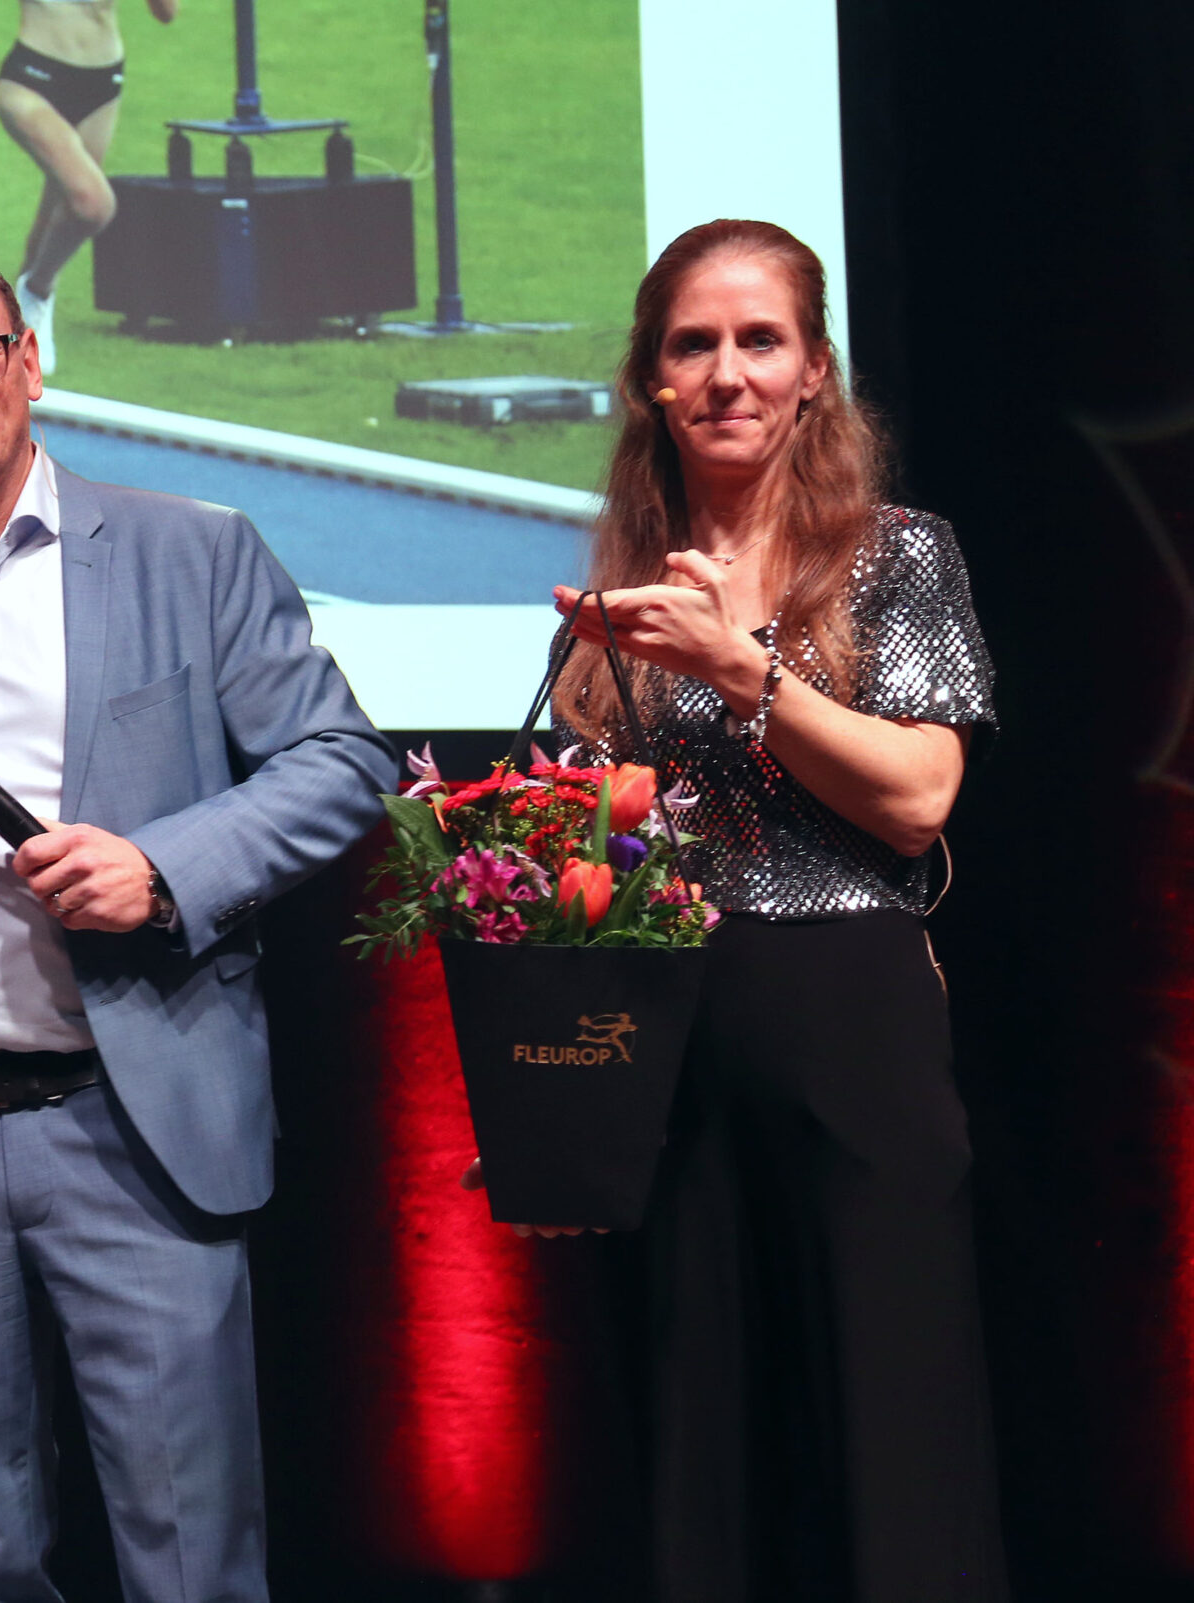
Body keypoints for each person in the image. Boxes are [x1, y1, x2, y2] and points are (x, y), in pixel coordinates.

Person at [0, 243, 395, 1603]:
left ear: (29, 362)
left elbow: (341, 762)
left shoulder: (190, 551)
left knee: (188, 1554)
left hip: (133, 1126)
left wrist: (162, 867)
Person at [534, 217, 1004, 1599]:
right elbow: (595, 854)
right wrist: (556, 1103)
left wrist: (746, 673)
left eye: (760, 340)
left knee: (890, 1417)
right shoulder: (622, 585)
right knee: (699, 1433)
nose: (727, 372)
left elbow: (917, 798)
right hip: (666, 1037)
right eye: (694, 344)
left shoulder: (894, 554)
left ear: (814, 373)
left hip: (846, 1014)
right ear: (652, 379)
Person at [0, 0, 179, 372]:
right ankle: (39, 289)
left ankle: (15, 338)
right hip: (32, 77)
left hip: (104, 81)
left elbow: (166, 13)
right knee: (92, 204)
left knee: (59, 210)